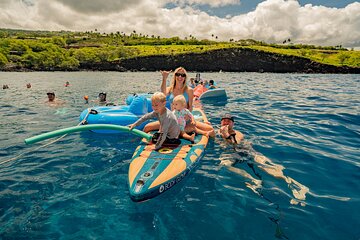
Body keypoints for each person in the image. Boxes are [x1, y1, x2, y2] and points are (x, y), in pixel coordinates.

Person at [218, 113, 309, 206]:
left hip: (248, 152)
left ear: (233, 124)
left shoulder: (237, 133)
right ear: (221, 122)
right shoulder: (218, 132)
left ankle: (292, 183)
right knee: (225, 164)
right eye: (224, 121)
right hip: (232, 154)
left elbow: (236, 144)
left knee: (266, 166)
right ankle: (252, 180)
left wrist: (226, 135)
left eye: (228, 121)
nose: (226, 123)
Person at [145, 67, 215, 137]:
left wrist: (188, 116)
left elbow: (190, 107)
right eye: (178, 74)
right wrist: (164, 78)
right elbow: (162, 94)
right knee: (147, 127)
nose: (180, 77)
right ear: (175, 76)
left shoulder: (189, 90)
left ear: (185, 77)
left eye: (183, 75)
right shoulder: (169, 89)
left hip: (185, 120)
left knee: (210, 129)